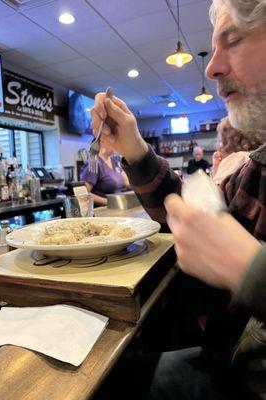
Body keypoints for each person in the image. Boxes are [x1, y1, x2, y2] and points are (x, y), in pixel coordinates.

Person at [91, 0, 266, 397]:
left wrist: (252, 272)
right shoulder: (256, 168)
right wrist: (134, 149)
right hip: (228, 357)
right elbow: (184, 214)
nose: (211, 67)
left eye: (233, 40)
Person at [211, 116, 265, 184]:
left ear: (229, 140)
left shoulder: (239, 157)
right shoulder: (255, 157)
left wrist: (216, 170)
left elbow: (216, 191)